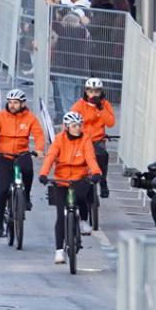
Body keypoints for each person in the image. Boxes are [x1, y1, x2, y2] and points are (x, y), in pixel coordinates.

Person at [38, 111, 102, 265]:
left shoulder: (85, 140)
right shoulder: (59, 140)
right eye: (74, 126)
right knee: (61, 216)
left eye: (79, 125)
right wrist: (43, 174)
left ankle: (82, 221)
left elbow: (90, 158)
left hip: (79, 178)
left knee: (81, 197)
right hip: (61, 180)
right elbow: (51, 157)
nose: (78, 128)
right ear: (66, 127)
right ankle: (59, 251)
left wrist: (96, 172)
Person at [0, 89, 45, 239]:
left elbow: (38, 134)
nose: (12, 105)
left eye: (16, 103)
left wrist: (39, 149)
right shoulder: (0, 116)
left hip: (22, 153)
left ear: (22, 104)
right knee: (2, 191)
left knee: (29, 171)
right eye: (10, 102)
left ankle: (27, 197)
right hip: (4, 156)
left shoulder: (30, 118)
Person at [70, 78, 116, 199]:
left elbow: (111, 123)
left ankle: (103, 182)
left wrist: (100, 109)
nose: (93, 94)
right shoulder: (79, 105)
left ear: (101, 92)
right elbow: (71, 120)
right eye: (90, 91)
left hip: (97, 139)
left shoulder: (105, 104)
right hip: (82, 139)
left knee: (102, 155)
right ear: (86, 92)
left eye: (97, 91)